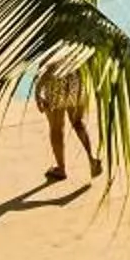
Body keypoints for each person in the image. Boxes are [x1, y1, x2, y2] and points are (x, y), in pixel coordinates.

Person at [36, 48, 98, 184]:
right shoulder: (76, 41)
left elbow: (48, 69)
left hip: (56, 86)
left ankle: (61, 169)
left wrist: (37, 91)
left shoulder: (51, 41)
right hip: (76, 84)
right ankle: (92, 159)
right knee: (78, 123)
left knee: (56, 129)